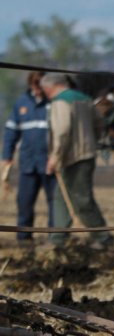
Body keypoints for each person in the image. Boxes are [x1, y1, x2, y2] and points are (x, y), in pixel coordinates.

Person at [43, 73, 111, 248]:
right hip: (86, 154)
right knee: (61, 197)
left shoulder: (60, 101)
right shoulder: (85, 99)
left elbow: (62, 131)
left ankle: (102, 237)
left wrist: (54, 157)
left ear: (50, 87)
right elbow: (99, 124)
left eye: (45, 90)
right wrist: (92, 142)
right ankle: (57, 239)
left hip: (71, 157)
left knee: (82, 199)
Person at [3, 71, 54, 244]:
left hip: (51, 164)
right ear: (30, 84)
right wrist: (7, 156)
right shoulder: (22, 103)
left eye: (40, 84)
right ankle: (24, 239)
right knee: (24, 202)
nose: (37, 88)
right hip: (28, 163)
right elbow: (11, 131)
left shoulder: (55, 102)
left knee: (55, 203)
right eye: (34, 84)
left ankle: (55, 239)